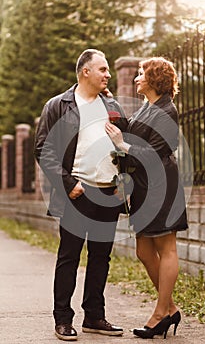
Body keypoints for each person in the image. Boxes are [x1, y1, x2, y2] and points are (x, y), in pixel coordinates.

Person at [35, 49, 127, 341]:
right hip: (76, 193)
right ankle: (63, 319)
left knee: (101, 257)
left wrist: (120, 180)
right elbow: (43, 149)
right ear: (85, 71)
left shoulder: (111, 104)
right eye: (102, 69)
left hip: (108, 193)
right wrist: (67, 183)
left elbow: (124, 144)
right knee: (69, 256)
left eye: (108, 70)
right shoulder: (58, 105)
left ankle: (94, 316)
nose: (108, 74)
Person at [105, 56, 189, 339]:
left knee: (166, 247)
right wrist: (111, 105)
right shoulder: (147, 107)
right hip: (143, 187)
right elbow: (132, 130)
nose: (136, 78)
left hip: (162, 185)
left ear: (154, 79)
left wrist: (122, 145)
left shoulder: (167, 110)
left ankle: (159, 313)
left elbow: (154, 153)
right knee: (143, 250)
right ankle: (171, 309)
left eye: (141, 73)